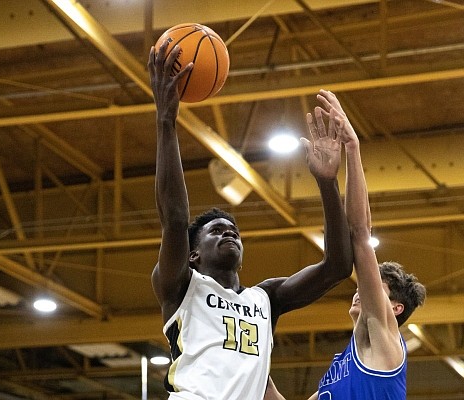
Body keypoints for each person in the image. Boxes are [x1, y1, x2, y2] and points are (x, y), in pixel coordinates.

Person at [149, 40, 353, 400]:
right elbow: (175, 218)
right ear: (193, 255)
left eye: (234, 232)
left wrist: (326, 182)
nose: (229, 233)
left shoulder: (266, 298)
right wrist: (167, 121)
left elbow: (337, 265)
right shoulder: (181, 284)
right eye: (216, 231)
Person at [265, 90, 426, 400]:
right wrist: (254, 364)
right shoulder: (341, 368)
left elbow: (360, 235)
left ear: (395, 308)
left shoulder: (385, 342)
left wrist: (353, 149)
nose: (361, 286)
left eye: (377, 286)